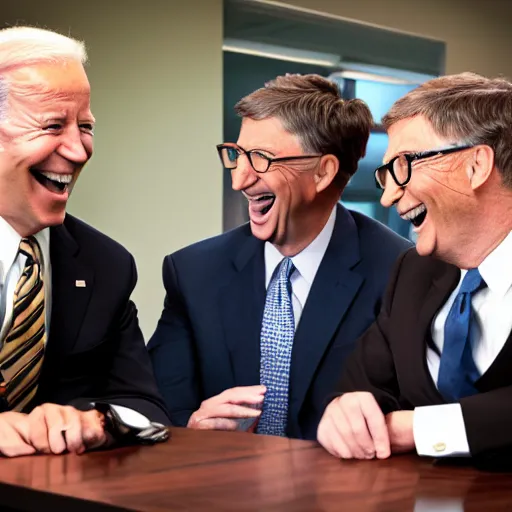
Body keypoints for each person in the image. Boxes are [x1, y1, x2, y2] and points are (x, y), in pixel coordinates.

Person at [148, 74, 410, 440]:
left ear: (323, 172)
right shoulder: (192, 273)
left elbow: (412, 409)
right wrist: (189, 428)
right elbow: (155, 409)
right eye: (237, 155)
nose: (239, 180)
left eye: (261, 159)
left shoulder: (401, 273)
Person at [317, 72, 512, 467]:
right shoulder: (412, 272)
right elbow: (361, 387)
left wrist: (417, 429)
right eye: (384, 175)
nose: (389, 196)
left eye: (403, 166)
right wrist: (345, 412)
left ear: (476, 164)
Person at [0, 26, 169, 457]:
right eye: (53, 125)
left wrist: (93, 420)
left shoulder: (105, 265)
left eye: (86, 127)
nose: (78, 151)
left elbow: (145, 408)